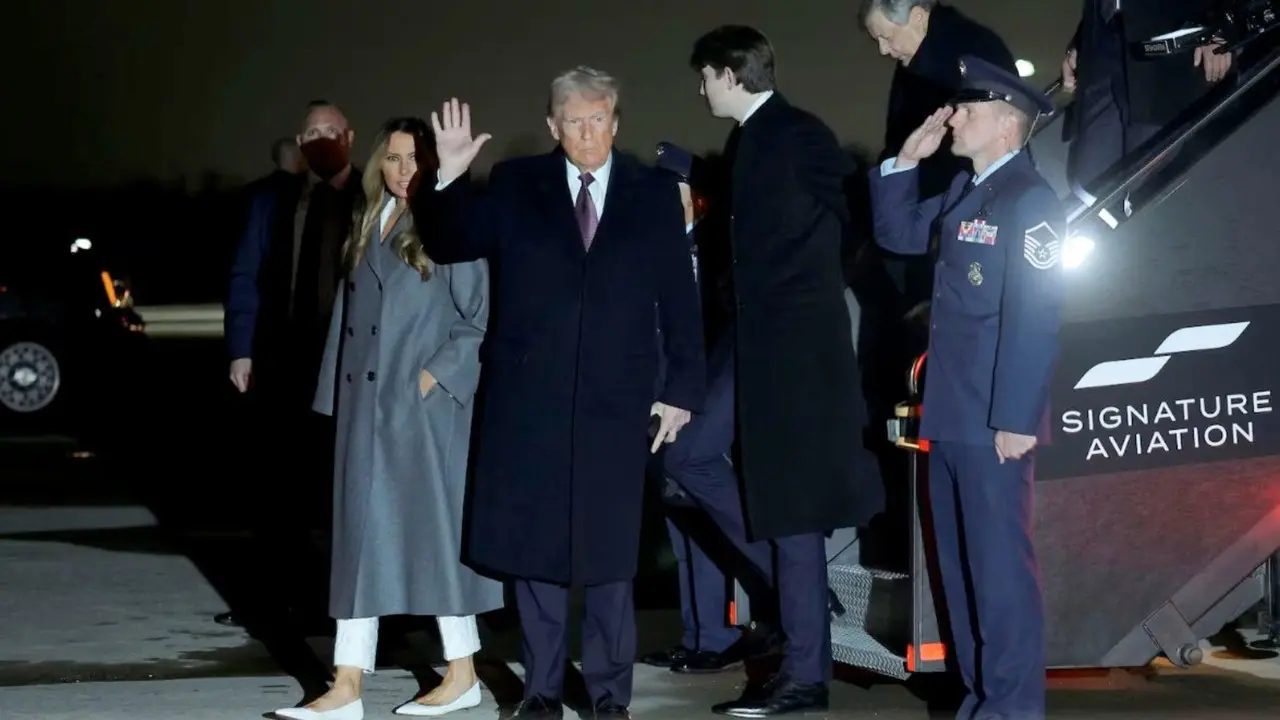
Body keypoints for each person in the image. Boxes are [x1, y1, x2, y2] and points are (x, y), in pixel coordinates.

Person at [413, 67, 707, 720]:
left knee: (608, 558)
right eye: (572, 121)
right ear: (553, 126)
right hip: (530, 403)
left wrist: (682, 389)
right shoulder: (518, 185)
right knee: (537, 555)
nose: (586, 132)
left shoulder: (654, 193)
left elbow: (681, 303)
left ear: (616, 121)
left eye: (598, 118)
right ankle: (541, 694)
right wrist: (449, 176)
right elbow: (447, 238)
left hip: (619, 403)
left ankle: (608, 699)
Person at [684, 25, 884, 717]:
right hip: (753, 341)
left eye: (704, 76)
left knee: (795, 513)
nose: (700, 89)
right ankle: (797, 599)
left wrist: (807, 312)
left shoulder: (798, 134)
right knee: (687, 451)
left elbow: (847, 225)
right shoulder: (749, 142)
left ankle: (805, 675)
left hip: (793, 350)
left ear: (730, 74)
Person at [271, 118, 501, 720]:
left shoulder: (447, 224)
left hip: (423, 415)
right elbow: (346, 320)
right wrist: (334, 400)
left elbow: (477, 322)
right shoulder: (367, 222)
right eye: (394, 159)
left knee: (436, 544)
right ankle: (347, 685)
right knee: (356, 547)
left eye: (415, 161)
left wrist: (431, 381)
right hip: (364, 414)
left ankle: (463, 673)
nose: (404, 171)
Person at [868, 55, 1065, 719]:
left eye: (968, 111)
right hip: (949, 413)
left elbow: (1034, 316)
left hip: (992, 421)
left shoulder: (1030, 201)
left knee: (1000, 575)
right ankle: (983, 700)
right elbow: (897, 232)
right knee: (959, 573)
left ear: (1008, 126)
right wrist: (904, 160)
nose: (954, 118)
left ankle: (1011, 708)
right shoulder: (966, 191)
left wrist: (1015, 416)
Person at [221, 100, 362, 630]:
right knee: (277, 481)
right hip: (283, 358)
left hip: (348, 361)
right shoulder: (274, 200)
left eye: (331, 130)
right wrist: (242, 347)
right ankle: (275, 599)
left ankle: (338, 603)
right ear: (299, 143)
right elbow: (245, 273)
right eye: (312, 133)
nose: (322, 139)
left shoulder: (372, 196)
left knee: (337, 485)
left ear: (349, 135)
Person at [639, 142, 746, 675]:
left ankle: (718, 636)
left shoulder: (711, 251)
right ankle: (697, 631)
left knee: (702, 520)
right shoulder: (653, 249)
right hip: (656, 400)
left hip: (696, 403)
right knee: (680, 526)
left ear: (694, 199)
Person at [859, 0, 1016, 322]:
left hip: (953, 225)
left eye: (886, 37)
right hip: (928, 219)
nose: (882, 50)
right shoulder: (926, 59)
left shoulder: (966, 56)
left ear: (918, 17)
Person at [1063, 0, 1233, 190]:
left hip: (1164, 63)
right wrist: (1081, 41)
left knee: (1142, 184)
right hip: (1103, 50)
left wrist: (1220, 26)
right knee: (1088, 182)